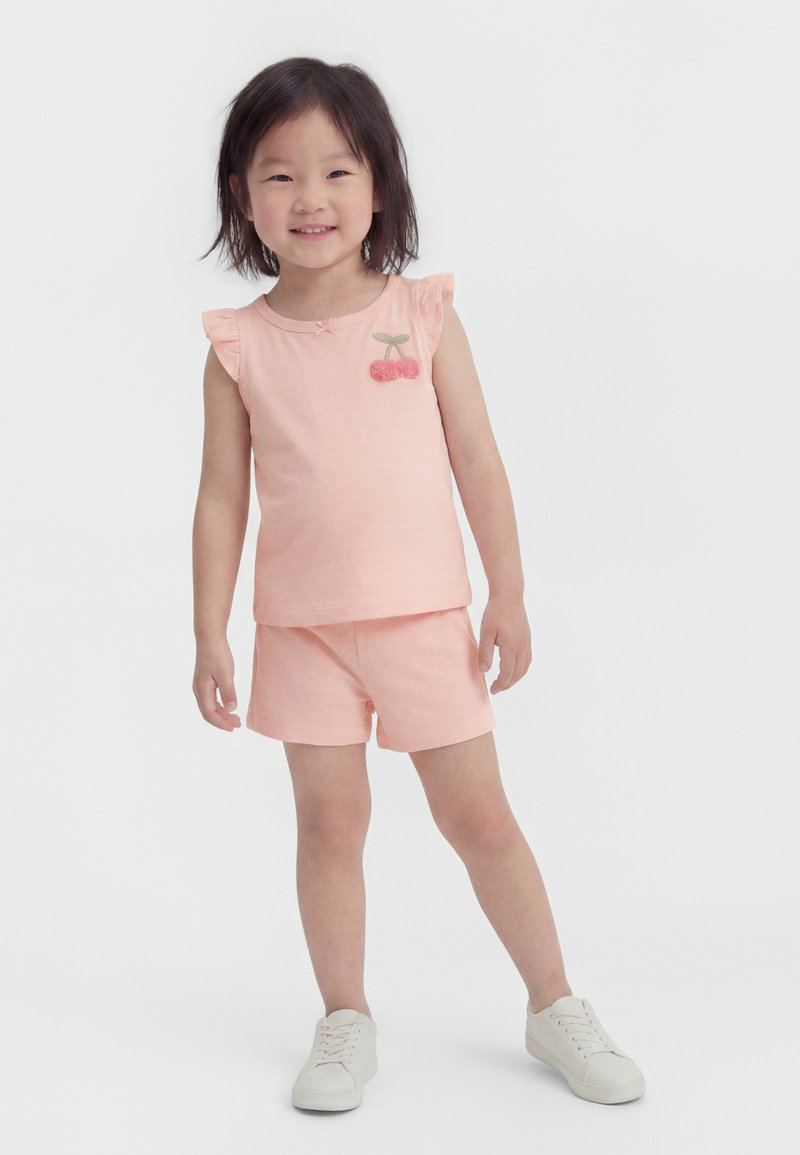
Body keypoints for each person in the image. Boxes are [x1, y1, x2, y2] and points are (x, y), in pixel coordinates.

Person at [192, 56, 645, 1112]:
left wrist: (508, 593)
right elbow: (220, 499)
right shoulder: (237, 348)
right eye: (280, 176)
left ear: (379, 186)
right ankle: (343, 1017)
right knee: (328, 825)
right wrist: (209, 631)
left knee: (478, 816)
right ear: (242, 197)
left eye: (336, 172)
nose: (310, 198)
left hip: (426, 618)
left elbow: (477, 459)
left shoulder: (422, 314)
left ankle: (553, 1003)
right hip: (300, 630)